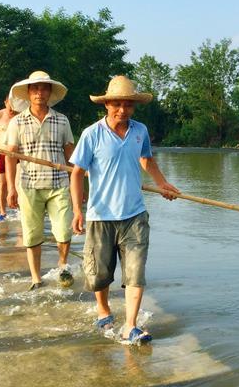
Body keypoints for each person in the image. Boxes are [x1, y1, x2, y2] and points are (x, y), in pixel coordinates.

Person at [70, 75, 180, 344]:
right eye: (116, 104)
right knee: (100, 274)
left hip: (134, 216)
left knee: (135, 272)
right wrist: (77, 210)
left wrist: (162, 183)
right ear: (106, 105)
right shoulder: (92, 134)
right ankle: (104, 309)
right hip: (100, 215)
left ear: (134, 107)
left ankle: (130, 325)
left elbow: (146, 159)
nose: (122, 110)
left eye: (128, 105)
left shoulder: (140, 131)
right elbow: (77, 173)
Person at [4, 71, 76, 290]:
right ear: (28, 93)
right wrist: (10, 189)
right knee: (32, 233)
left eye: (44, 88)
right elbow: (11, 157)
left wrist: (77, 185)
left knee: (64, 231)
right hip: (28, 185)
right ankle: (36, 277)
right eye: (35, 88)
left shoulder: (61, 120)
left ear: (50, 92)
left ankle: (63, 266)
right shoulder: (17, 122)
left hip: (59, 184)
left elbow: (71, 156)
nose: (39, 92)